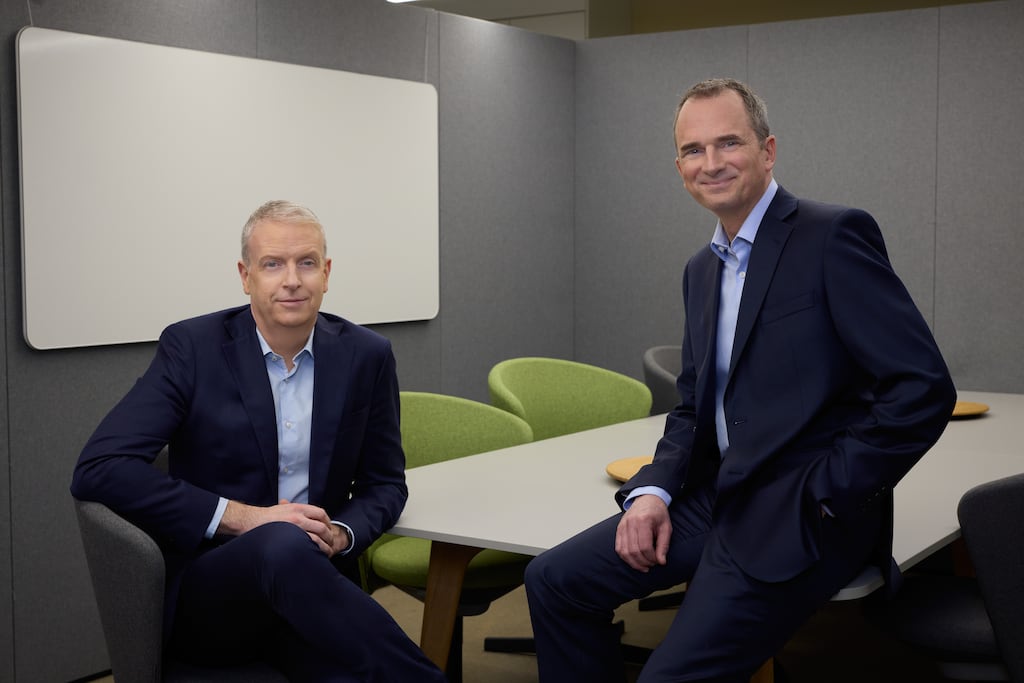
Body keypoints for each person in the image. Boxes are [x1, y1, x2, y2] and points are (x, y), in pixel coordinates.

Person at [525, 78, 956, 682]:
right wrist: (654, 492)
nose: (711, 163)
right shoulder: (701, 270)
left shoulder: (831, 237)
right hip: (717, 497)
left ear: (768, 150)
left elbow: (922, 388)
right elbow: (694, 404)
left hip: (800, 512)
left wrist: (826, 495)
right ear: (679, 167)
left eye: (728, 143)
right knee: (553, 581)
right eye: (693, 150)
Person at [71, 200, 446, 682]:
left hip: (314, 590)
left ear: (326, 273)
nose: (292, 279)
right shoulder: (193, 349)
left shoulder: (366, 356)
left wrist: (341, 533)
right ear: (246, 276)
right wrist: (243, 518)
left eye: (306, 262)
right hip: (214, 597)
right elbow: (100, 466)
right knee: (281, 541)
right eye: (273, 264)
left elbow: (386, 484)